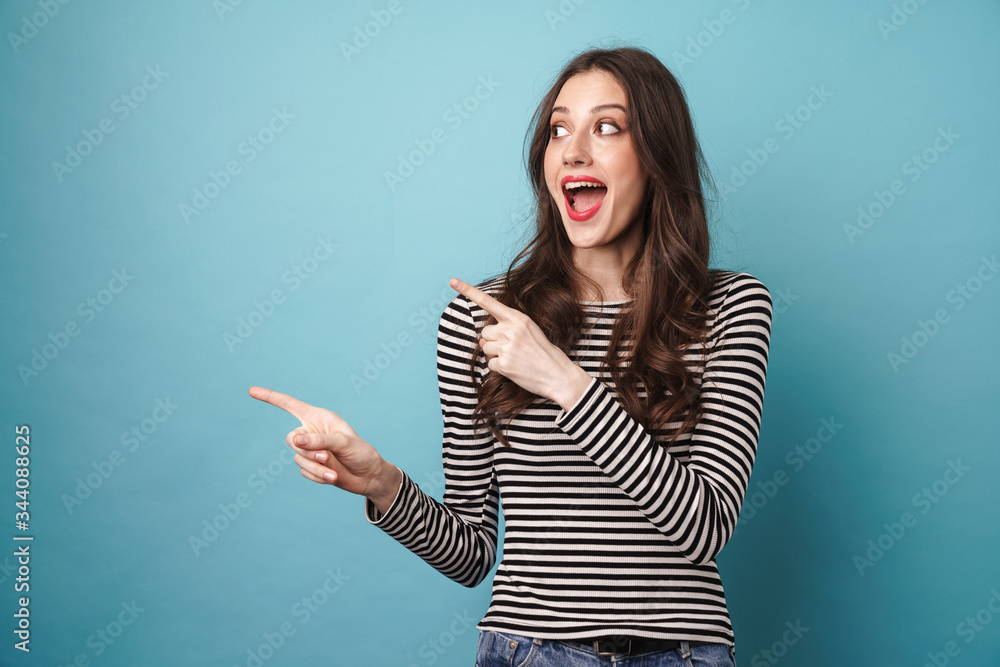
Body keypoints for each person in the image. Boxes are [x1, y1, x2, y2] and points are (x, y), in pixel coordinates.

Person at [250, 45, 772, 667]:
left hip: (681, 654)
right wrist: (382, 485)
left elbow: (703, 527)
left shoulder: (730, 306)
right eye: (558, 130)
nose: (574, 149)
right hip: (529, 652)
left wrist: (565, 382)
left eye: (607, 127)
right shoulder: (484, 319)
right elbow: (471, 553)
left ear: (657, 157)